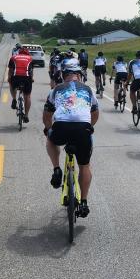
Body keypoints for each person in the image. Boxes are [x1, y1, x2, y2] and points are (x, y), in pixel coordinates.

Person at [42, 58, 99, 218]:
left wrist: (48, 129)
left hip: (62, 126)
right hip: (83, 128)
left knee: (51, 139)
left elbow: (47, 116)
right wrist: (90, 127)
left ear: (63, 75)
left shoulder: (56, 89)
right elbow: (95, 114)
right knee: (85, 165)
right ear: (79, 76)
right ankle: (85, 202)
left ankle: (57, 169)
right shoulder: (88, 90)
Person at [6, 46, 34, 122]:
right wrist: (32, 79)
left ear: (19, 52)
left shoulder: (13, 57)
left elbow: (10, 71)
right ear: (27, 53)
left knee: (11, 84)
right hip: (26, 78)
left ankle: (14, 99)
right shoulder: (30, 58)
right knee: (27, 96)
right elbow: (31, 71)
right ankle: (26, 115)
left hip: (16, 77)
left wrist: (9, 78)